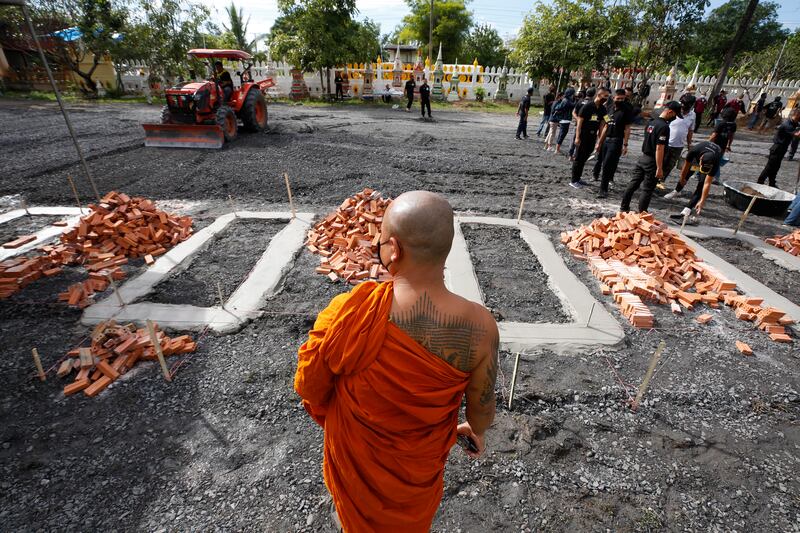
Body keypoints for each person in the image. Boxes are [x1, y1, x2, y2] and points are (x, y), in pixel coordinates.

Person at [295, 190, 499, 533]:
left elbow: (309, 387)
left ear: (394, 249)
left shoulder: (350, 311)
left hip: (356, 468)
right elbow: (481, 412)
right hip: (417, 474)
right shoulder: (481, 328)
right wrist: (470, 431)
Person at [620, 101, 682, 213]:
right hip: (652, 162)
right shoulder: (664, 127)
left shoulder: (651, 123)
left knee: (633, 185)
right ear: (670, 112)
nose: (675, 118)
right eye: (675, 115)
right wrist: (659, 167)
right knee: (647, 189)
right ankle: (642, 214)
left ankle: (624, 208)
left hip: (643, 158)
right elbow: (659, 148)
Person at [665, 141, 723, 223]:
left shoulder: (715, 162)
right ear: (701, 159)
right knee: (687, 173)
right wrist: (682, 178)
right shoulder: (694, 151)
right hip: (698, 154)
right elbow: (686, 165)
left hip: (711, 157)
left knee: (701, 184)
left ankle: (687, 210)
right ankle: (676, 191)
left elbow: (707, 183)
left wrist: (702, 201)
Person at [594, 89, 633, 197]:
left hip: (616, 141)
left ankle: (603, 189)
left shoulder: (626, 111)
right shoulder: (609, 109)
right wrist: (599, 142)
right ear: (613, 98)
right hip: (606, 139)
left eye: (622, 98)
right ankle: (600, 181)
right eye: (618, 98)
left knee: (607, 164)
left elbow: (627, 128)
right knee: (602, 162)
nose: (620, 100)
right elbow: (606, 126)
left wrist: (625, 144)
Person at [569, 87, 608, 189]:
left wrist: (599, 140)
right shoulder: (587, 106)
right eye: (605, 96)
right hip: (583, 135)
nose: (607, 98)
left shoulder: (603, 109)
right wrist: (577, 137)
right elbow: (579, 123)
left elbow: (604, 123)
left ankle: (578, 177)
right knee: (579, 158)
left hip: (592, 136)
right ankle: (574, 180)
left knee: (585, 157)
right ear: (599, 95)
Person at [756, 107, 800, 188]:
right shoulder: (787, 124)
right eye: (798, 117)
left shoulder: (794, 123)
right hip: (777, 148)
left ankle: (772, 183)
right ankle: (760, 182)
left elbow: (797, 125)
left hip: (782, 148)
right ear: (796, 115)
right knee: (769, 167)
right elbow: (797, 134)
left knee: (776, 167)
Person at [662, 95, 696, 183]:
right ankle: (652, 181)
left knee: (670, 165)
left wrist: (689, 144)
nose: (684, 108)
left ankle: (660, 181)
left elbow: (690, 131)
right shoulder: (674, 111)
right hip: (666, 143)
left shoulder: (693, 115)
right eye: (683, 105)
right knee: (661, 162)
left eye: (687, 106)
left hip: (679, 146)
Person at [547, 87, 576, 154]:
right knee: (562, 135)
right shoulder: (566, 101)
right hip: (564, 119)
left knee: (561, 134)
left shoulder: (566, 100)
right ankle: (557, 149)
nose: (573, 95)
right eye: (572, 94)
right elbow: (558, 108)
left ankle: (557, 149)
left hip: (565, 119)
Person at [569, 88, 595, 158]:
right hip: (586, 127)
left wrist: (577, 119)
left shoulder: (580, 101)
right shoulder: (593, 104)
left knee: (574, 139)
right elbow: (594, 116)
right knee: (582, 141)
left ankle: (570, 155)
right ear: (594, 95)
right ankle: (576, 155)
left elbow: (573, 112)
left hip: (577, 124)